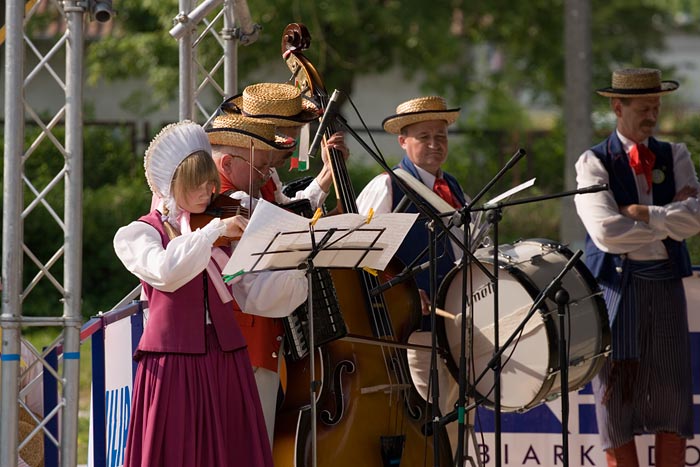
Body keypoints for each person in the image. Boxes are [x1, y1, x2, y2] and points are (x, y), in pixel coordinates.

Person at [113, 120, 307, 467]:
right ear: (172, 186)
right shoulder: (139, 233)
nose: (207, 192)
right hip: (173, 362)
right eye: (196, 184)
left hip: (225, 357)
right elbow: (165, 272)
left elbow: (247, 293)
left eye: (210, 183)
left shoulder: (212, 230)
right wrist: (213, 233)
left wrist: (298, 264)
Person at [574, 67, 700, 467]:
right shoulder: (593, 162)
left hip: (665, 287)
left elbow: (695, 221)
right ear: (617, 106)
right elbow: (606, 232)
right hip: (616, 290)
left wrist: (641, 212)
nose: (652, 114)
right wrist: (666, 223)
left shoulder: (675, 154)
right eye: (644, 107)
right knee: (615, 399)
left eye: (657, 106)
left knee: (673, 395)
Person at [356, 95, 467, 416]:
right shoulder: (387, 187)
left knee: (460, 416)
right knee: (433, 416)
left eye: (441, 136)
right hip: (413, 331)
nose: (435, 144)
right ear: (403, 141)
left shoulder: (453, 187)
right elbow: (360, 257)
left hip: (454, 325)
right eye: (424, 137)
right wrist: (399, 292)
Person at [220, 81, 348, 211]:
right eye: (286, 142)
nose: (293, 148)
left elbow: (288, 209)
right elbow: (284, 218)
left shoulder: (266, 169)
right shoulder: (228, 194)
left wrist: (328, 170)